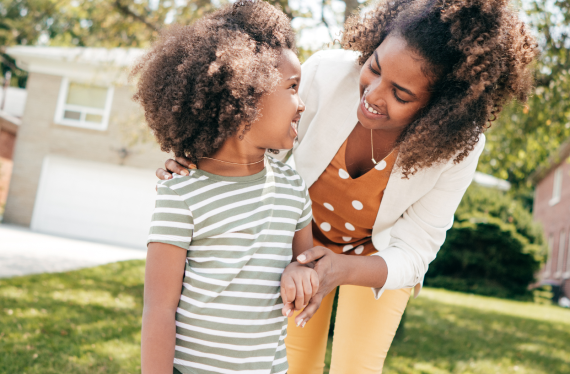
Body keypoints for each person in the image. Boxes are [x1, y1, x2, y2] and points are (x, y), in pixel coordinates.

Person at [157, 0, 538, 372]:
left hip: (378, 259)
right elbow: (255, 139)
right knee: (294, 362)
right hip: (299, 245)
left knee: (356, 366)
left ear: (442, 110)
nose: (372, 95)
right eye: (374, 68)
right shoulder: (325, 74)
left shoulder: (458, 146)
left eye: (401, 94)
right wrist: (204, 163)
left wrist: (343, 269)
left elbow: (417, 247)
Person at [134, 2, 320, 373]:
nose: (302, 104)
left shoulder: (292, 189)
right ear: (246, 93)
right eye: (293, 88)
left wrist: (302, 275)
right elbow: (159, 309)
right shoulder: (181, 194)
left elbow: (307, 265)